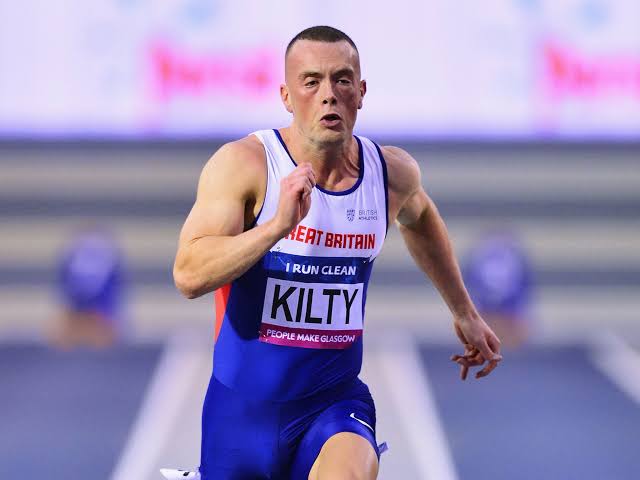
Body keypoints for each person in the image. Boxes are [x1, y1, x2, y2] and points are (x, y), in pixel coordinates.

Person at [173, 25, 502, 480]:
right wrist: (277, 227)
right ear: (287, 97)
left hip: (334, 403)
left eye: (342, 80)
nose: (329, 94)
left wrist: (464, 311)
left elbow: (422, 218)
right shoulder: (246, 165)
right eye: (312, 82)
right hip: (242, 413)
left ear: (361, 92)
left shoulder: (390, 174)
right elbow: (189, 274)